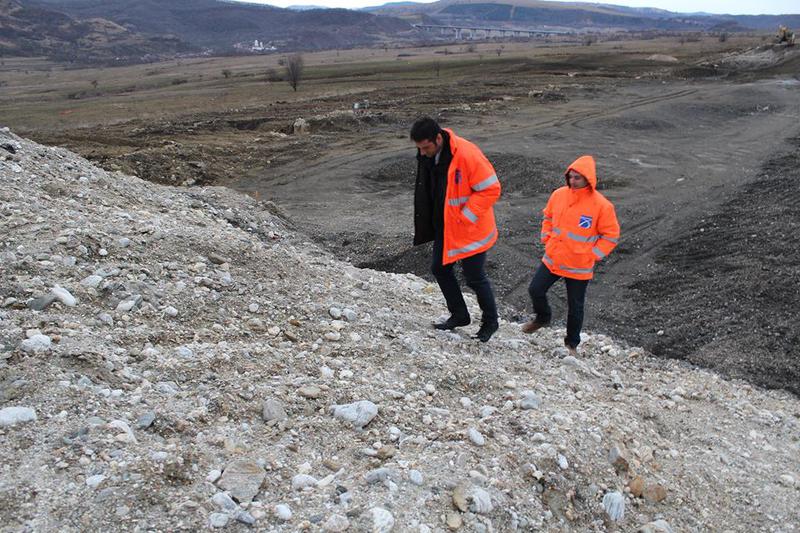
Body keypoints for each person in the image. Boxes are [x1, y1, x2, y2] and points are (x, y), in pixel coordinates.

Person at [410, 117, 502, 342]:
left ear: (438, 138)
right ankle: (460, 315)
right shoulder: (429, 155)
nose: (422, 153)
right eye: (419, 148)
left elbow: (491, 189)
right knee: (439, 269)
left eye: (426, 147)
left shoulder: (467, 155)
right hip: (447, 227)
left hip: (470, 230)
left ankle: (491, 322)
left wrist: (466, 216)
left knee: (475, 277)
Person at [522, 155, 620, 354]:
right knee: (535, 290)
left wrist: (592, 254)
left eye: (577, 178)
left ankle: (571, 344)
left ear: (588, 179)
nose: (572, 181)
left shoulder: (601, 206)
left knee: (575, 306)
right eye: (570, 177)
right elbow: (547, 216)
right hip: (554, 258)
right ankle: (543, 318)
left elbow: (611, 235)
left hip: (579, 265)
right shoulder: (558, 195)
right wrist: (546, 237)